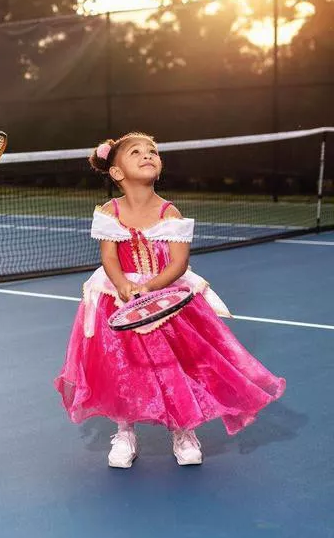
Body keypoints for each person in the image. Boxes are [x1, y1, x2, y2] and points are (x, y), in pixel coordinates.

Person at [54, 132, 285, 467]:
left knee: (180, 365)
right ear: (117, 172)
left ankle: (184, 430)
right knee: (122, 368)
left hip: (169, 296)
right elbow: (110, 258)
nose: (148, 155)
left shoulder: (169, 212)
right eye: (136, 152)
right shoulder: (109, 210)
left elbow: (178, 263)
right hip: (115, 298)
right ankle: (124, 432)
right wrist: (122, 286)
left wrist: (150, 288)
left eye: (153, 151)